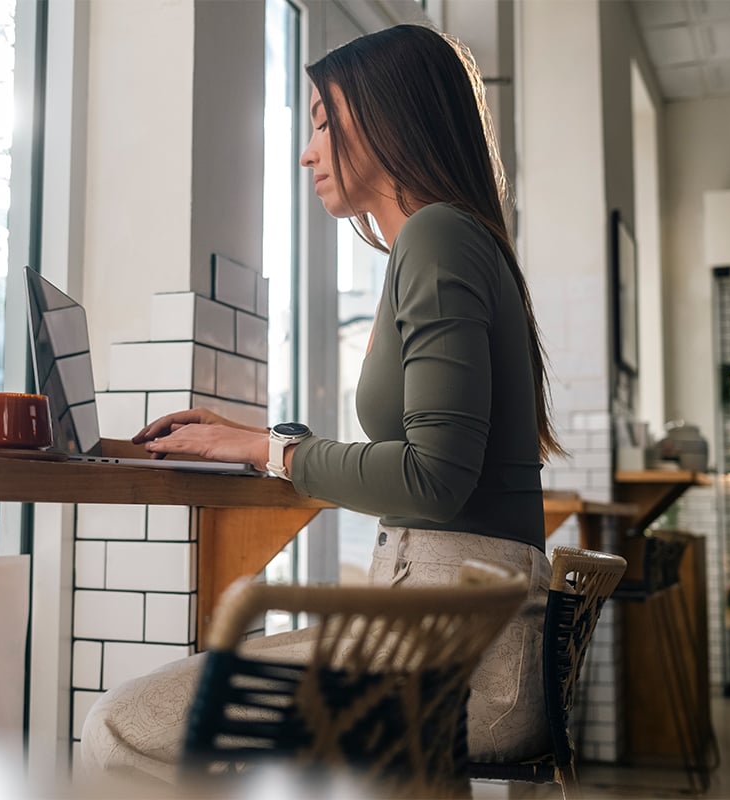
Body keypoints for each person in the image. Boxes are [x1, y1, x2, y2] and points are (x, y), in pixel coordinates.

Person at [81, 23, 563, 782]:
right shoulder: (444, 242)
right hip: (451, 634)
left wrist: (261, 449)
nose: (307, 151)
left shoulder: (439, 237)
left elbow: (434, 478)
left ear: (386, 119)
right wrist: (263, 440)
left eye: (319, 121)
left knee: (124, 722)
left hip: (457, 659)